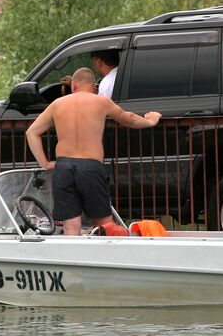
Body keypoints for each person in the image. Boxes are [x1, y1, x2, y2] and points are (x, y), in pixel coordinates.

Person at [25, 67, 161, 236]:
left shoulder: (57, 104)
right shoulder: (101, 102)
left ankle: (72, 252)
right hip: (90, 167)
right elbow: (130, 119)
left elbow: (32, 132)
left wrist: (44, 163)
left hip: (64, 167)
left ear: (74, 85)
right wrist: (150, 121)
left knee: (71, 226)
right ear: (93, 86)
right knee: (104, 224)